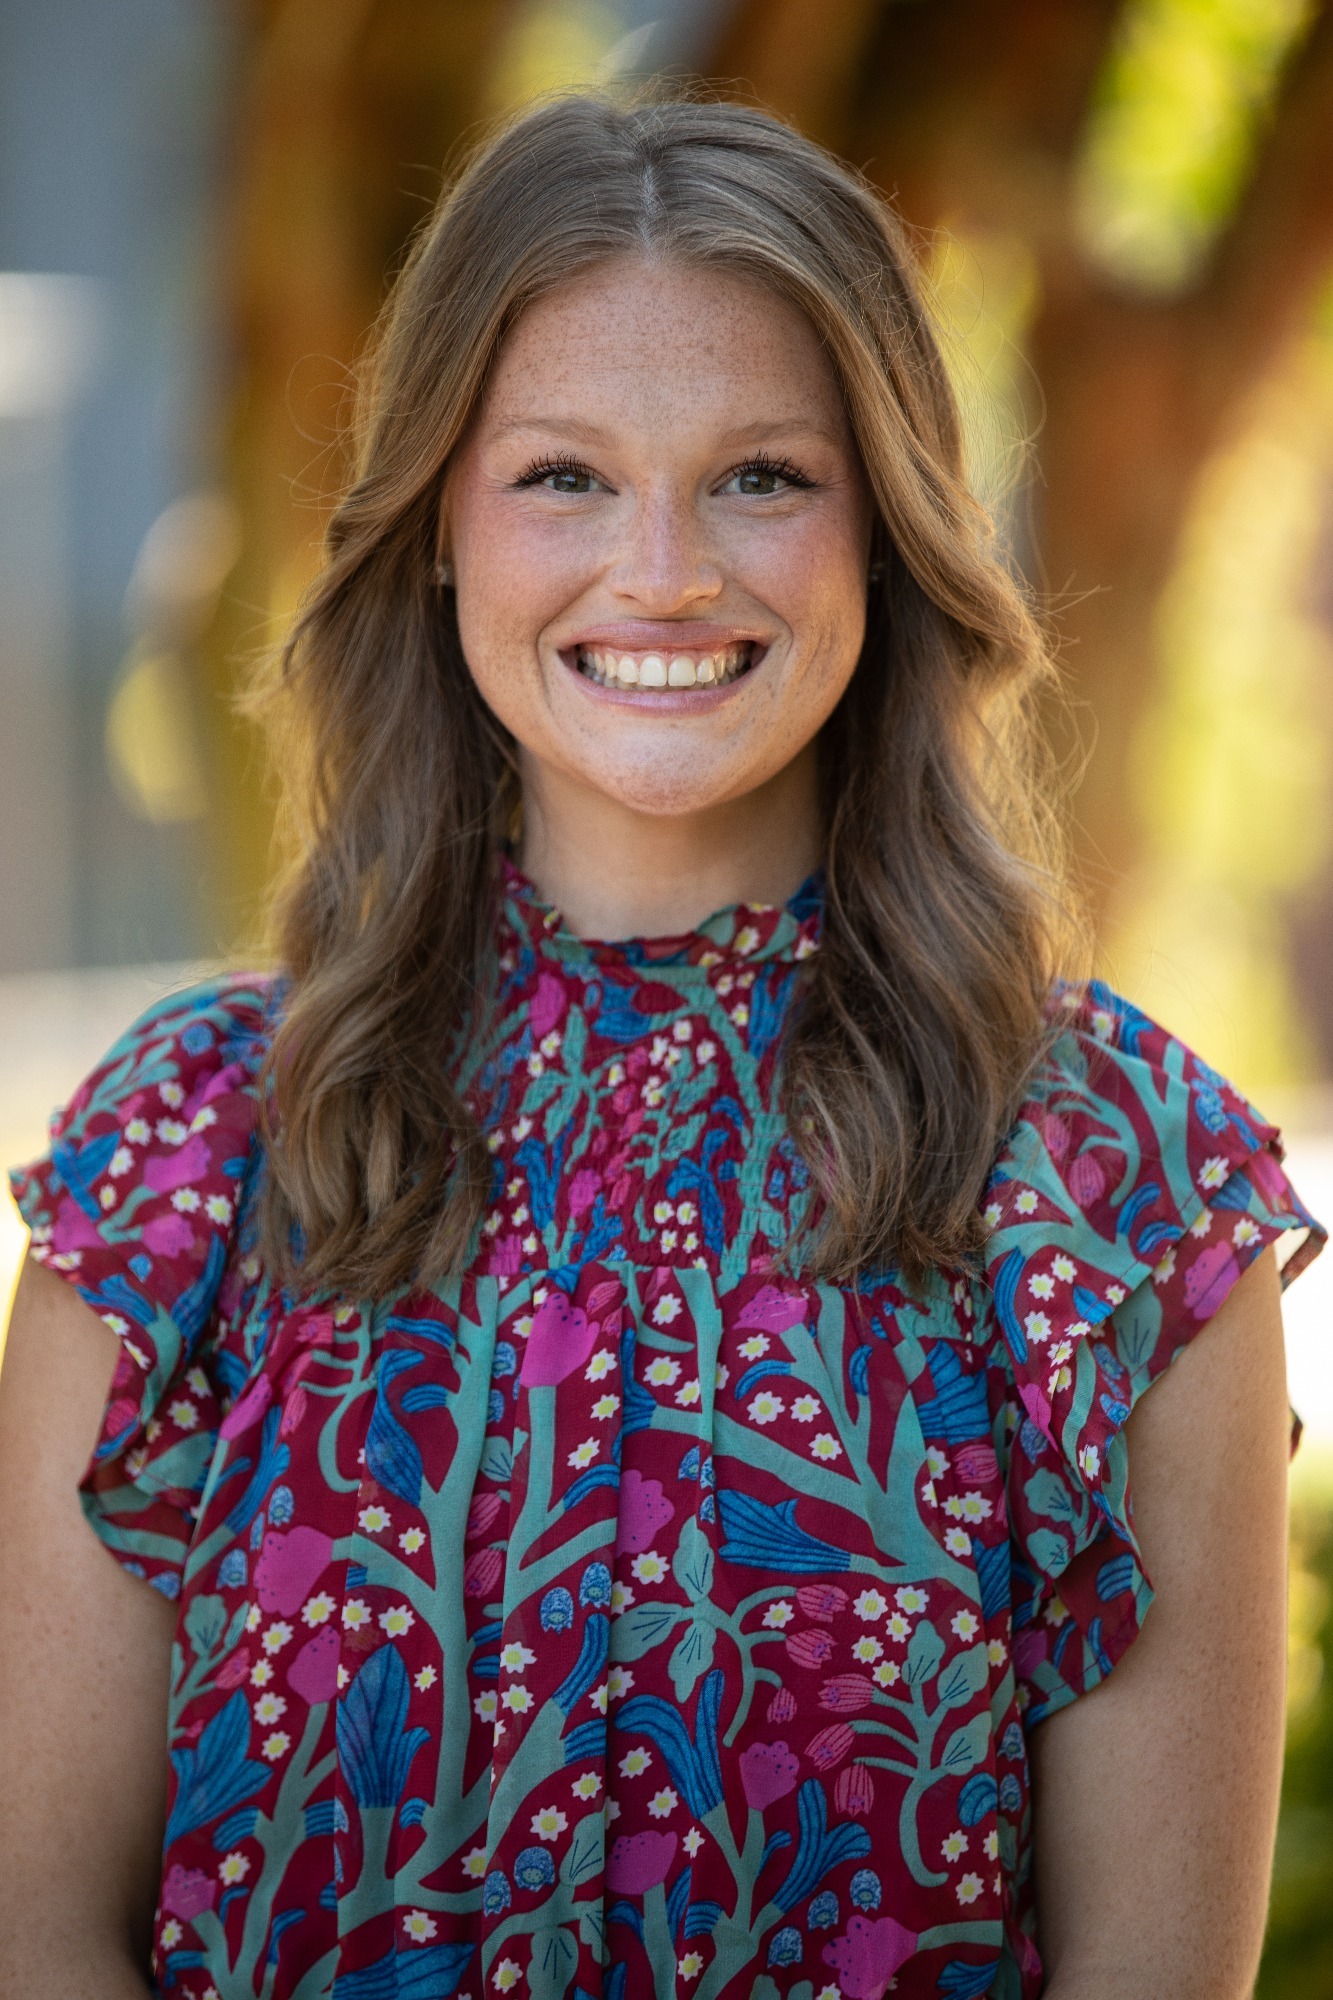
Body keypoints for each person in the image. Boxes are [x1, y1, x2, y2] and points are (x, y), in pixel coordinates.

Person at [0, 93, 1321, 2000]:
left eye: (762, 477)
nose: (666, 570)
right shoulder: (186, 1158)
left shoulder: (1118, 1190)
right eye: (561, 477)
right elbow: (36, 1938)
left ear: (885, 527)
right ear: (438, 529)